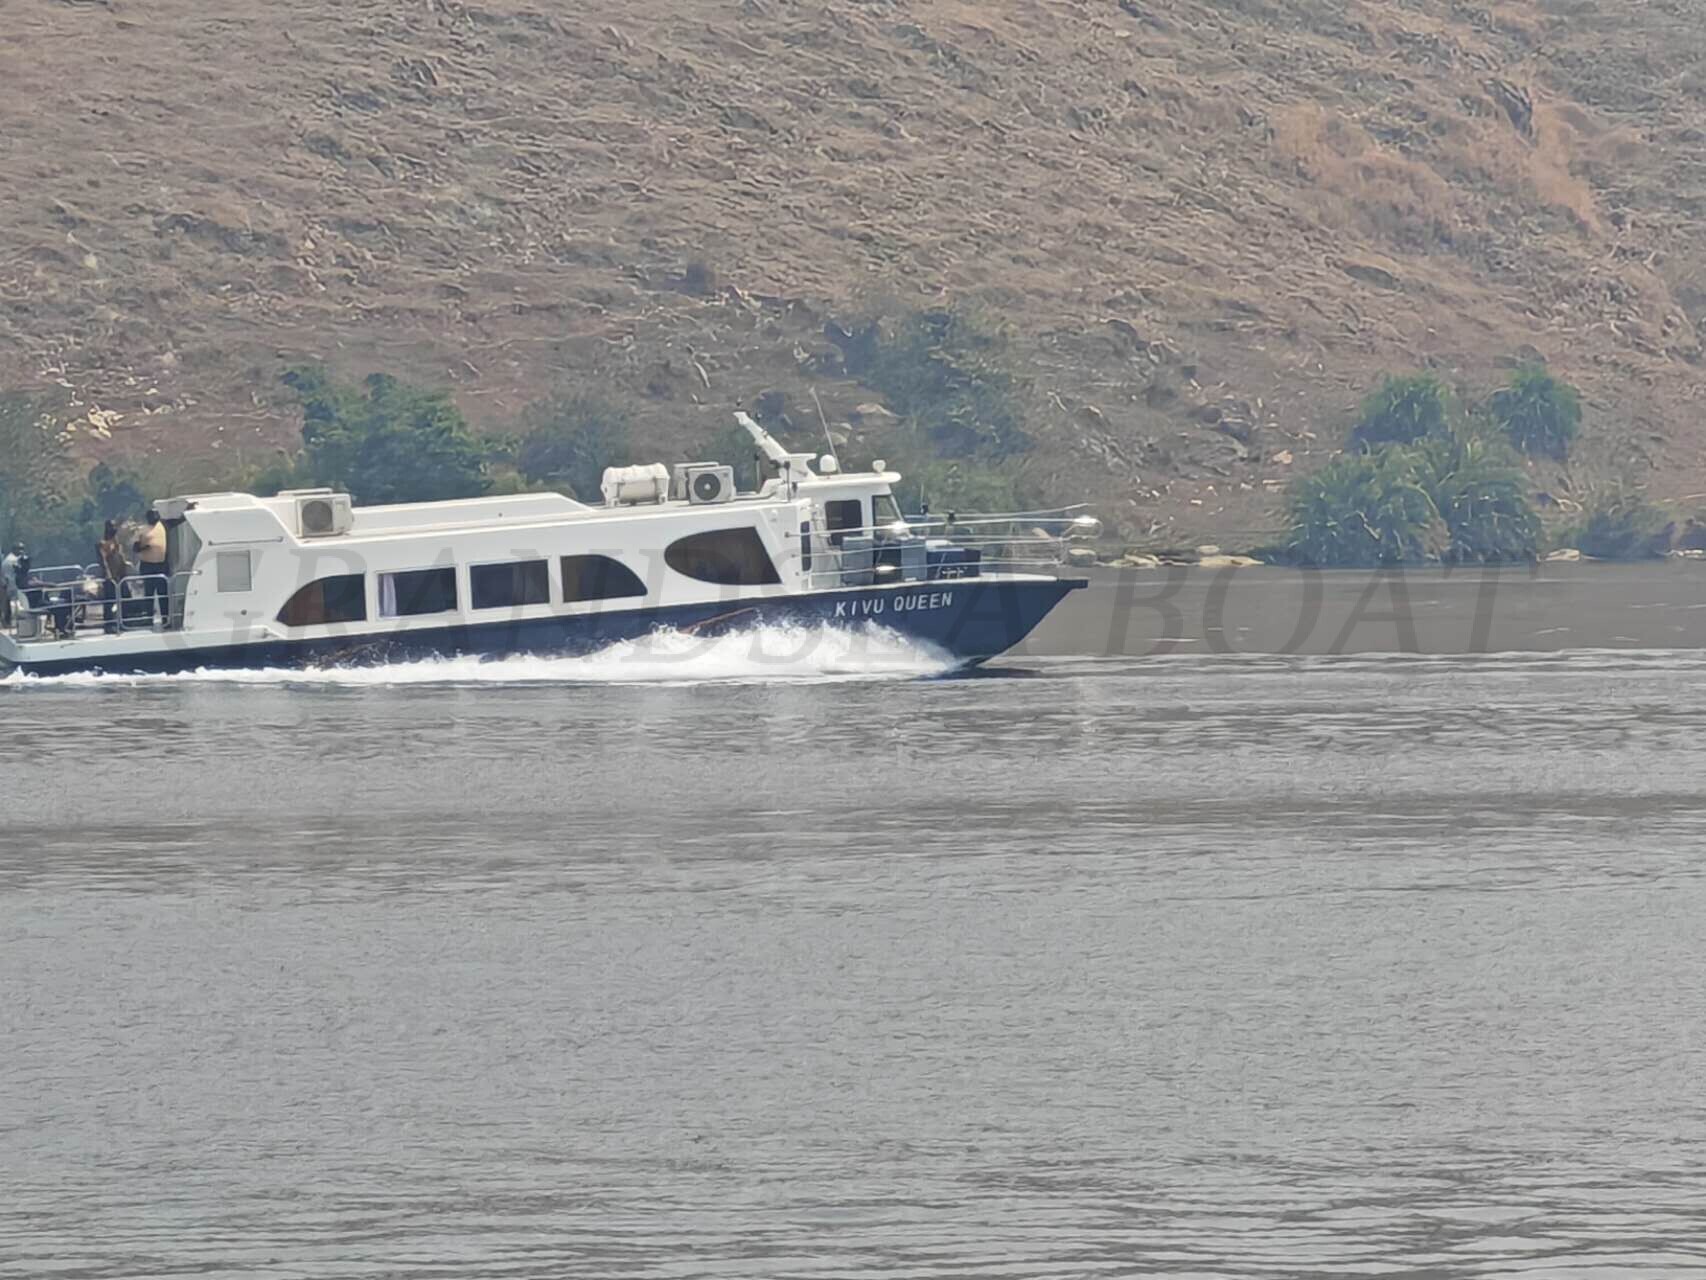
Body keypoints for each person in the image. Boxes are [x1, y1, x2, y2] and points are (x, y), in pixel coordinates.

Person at [131, 509, 169, 626]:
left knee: (163, 594)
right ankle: (148, 619)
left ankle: (165, 618)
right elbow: (135, 548)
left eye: (157, 514)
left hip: (161, 564)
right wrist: (145, 548)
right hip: (148, 565)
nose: (155, 516)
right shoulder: (142, 530)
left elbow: (176, 521)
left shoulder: (162, 525)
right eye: (153, 515)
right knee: (149, 594)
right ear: (148, 517)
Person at [98, 520, 128, 633]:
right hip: (110, 578)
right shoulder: (102, 543)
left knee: (125, 598)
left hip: (120, 576)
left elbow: (121, 558)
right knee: (109, 602)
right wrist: (108, 575)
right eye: (112, 527)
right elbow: (103, 560)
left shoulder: (118, 543)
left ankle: (125, 621)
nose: (114, 528)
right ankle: (108, 625)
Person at [0, 541, 19, 628]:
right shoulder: (10, 560)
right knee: (5, 604)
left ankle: (7, 622)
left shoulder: (6, 559)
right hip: (5, 584)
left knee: (6, 604)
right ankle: (5, 622)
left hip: (5, 583)